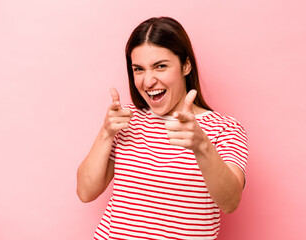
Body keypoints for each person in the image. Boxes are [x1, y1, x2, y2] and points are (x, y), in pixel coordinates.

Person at [77, 16, 248, 239]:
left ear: (185, 65)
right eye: (139, 69)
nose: (148, 82)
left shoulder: (225, 129)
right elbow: (85, 192)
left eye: (160, 66)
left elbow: (230, 202)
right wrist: (106, 132)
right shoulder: (127, 120)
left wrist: (201, 146)